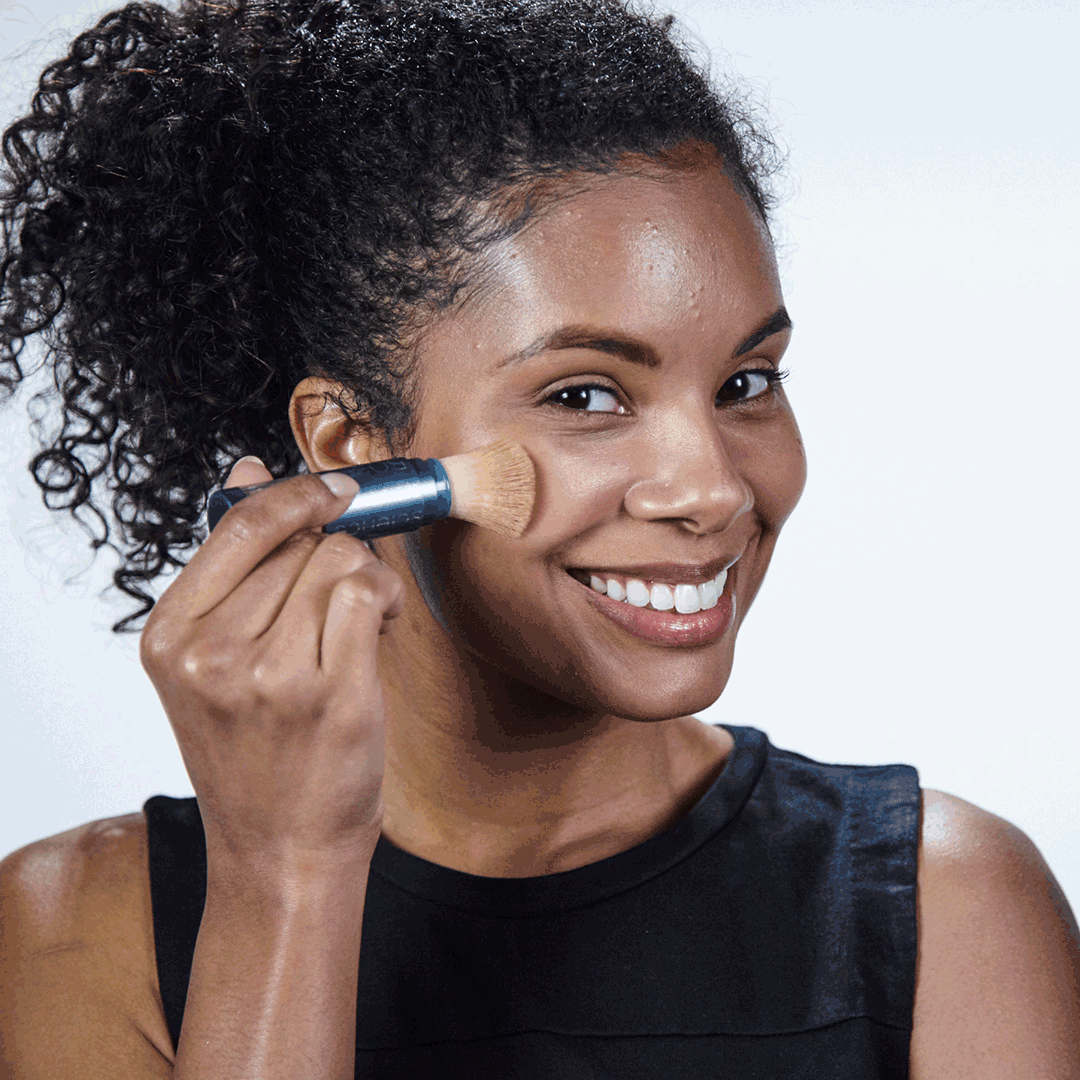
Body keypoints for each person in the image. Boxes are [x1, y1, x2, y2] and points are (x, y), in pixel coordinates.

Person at [1, 0, 1077, 1076]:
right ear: (346, 442)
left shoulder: (947, 909)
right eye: (585, 395)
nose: (710, 489)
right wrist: (286, 880)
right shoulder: (80, 933)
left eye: (747, 383)